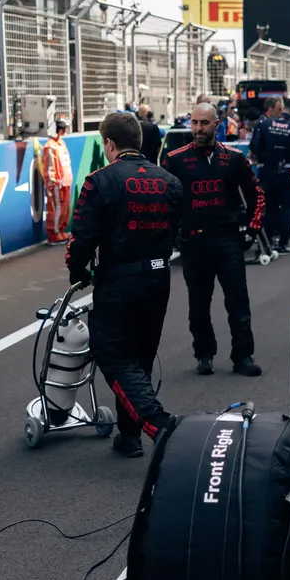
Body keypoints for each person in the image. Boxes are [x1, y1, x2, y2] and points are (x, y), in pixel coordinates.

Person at [68, 111, 178, 455]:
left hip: (119, 281)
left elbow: (82, 238)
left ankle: (159, 426)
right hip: (159, 279)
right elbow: (175, 232)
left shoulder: (100, 180)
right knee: (140, 359)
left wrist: (77, 271)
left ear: (110, 144)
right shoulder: (169, 180)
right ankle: (128, 438)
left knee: (113, 355)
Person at [161, 103, 261, 376]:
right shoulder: (175, 159)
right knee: (198, 304)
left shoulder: (234, 158)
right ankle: (204, 354)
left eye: (204, 123)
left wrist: (252, 228)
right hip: (194, 244)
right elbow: (166, 202)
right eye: (194, 123)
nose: (198, 129)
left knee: (238, 301)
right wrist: (170, 238)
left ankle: (243, 357)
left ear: (216, 124)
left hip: (228, 240)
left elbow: (256, 195)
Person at [248, 97, 290, 255]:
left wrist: (263, 157)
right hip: (289, 171)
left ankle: (267, 244)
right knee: (288, 209)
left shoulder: (264, 124)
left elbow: (254, 146)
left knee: (270, 208)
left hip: (267, 170)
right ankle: (283, 244)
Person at [36, 117, 75, 243]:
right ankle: (54, 233)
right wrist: (52, 182)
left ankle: (61, 230)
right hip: (57, 183)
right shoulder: (50, 146)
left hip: (65, 181)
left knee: (65, 208)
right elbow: (49, 166)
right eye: (64, 129)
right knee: (56, 208)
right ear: (60, 130)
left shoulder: (61, 143)